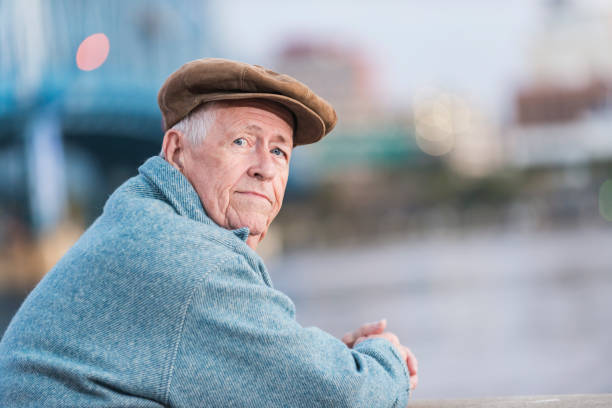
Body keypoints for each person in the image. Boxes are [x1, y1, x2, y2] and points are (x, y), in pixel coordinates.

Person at [0, 58, 418, 407]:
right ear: (176, 151)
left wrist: (320, 359)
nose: (265, 167)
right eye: (241, 142)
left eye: (279, 150)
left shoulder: (145, 217)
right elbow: (344, 398)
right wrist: (385, 358)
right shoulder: (190, 259)